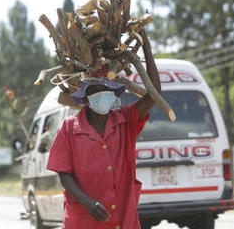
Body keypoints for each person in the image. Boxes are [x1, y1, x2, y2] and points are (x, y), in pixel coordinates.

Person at [47, 56, 160, 228]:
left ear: (114, 94)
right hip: (83, 221)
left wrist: (145, 46)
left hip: (123, 221)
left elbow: (154, 95)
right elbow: (64, 175)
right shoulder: (69, 128)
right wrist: (87, 203)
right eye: (95, 89)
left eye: (107, 88)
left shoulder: (126, 121)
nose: (102, 93)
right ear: (86, 97)